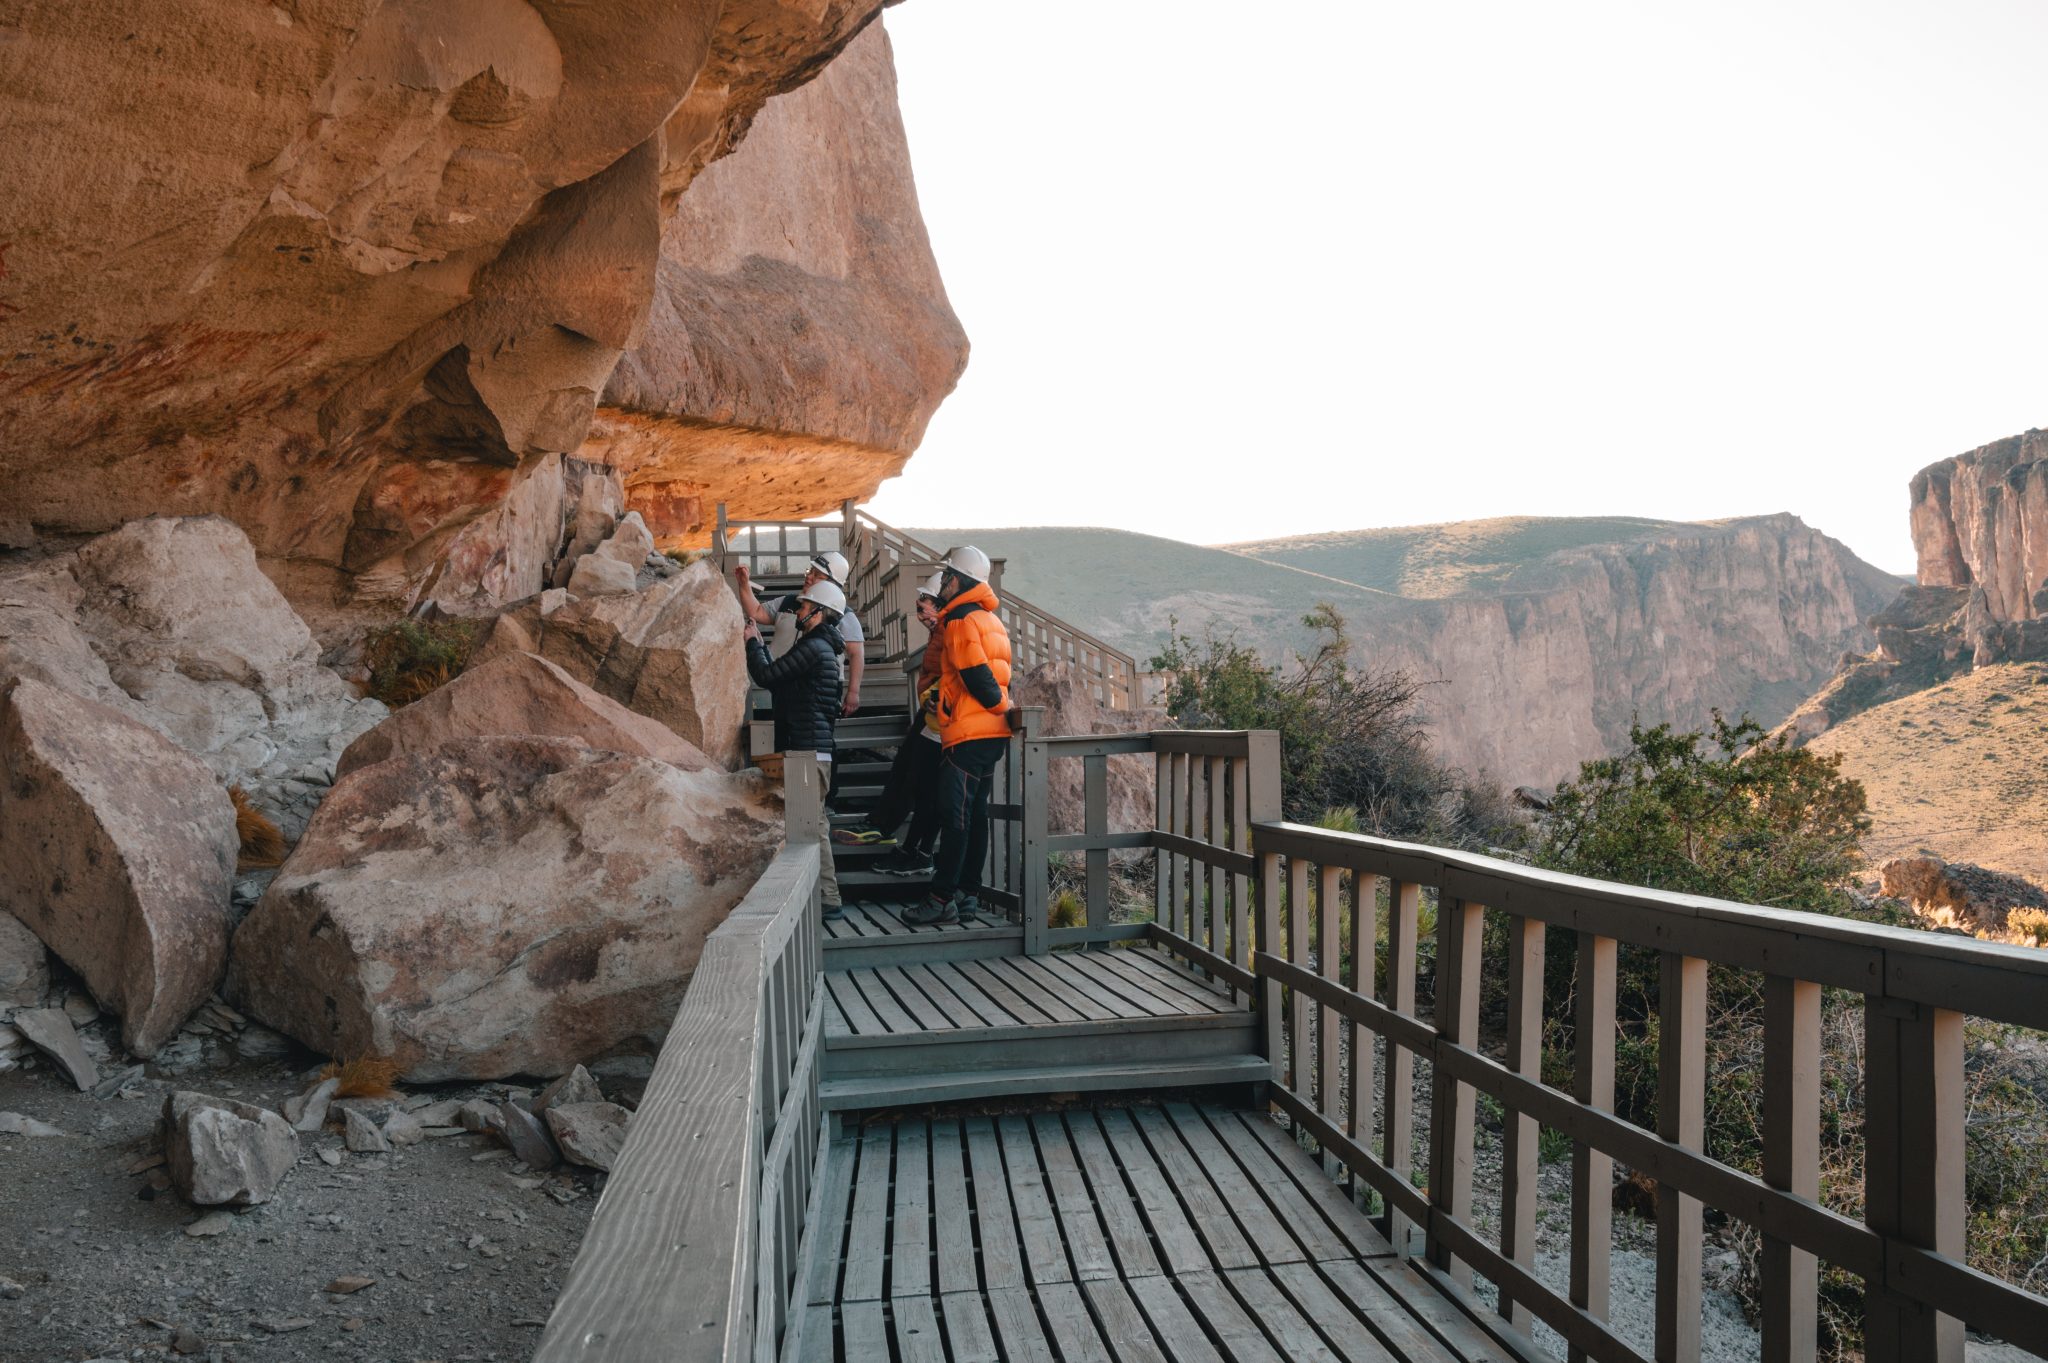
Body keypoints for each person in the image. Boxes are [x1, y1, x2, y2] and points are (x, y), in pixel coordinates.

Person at [903, 546, 1013, 926]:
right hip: (990, 735)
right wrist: (1003, 713)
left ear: (960, 581)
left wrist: (1001, 706)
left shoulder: (960, 622)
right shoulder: (990, 620)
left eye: (947, 577)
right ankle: (968, 893)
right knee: (976, 815)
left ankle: (941, 898)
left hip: (967, 733)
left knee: (956, 818)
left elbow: (979, 678)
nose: (943, 584)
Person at [744, 578, 848, 919]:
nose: (799, 610)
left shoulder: (813, 648)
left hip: (807, 752)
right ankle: (823, 898)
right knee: (812, 826)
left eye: (804, 606)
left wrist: (753, 644)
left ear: (819, 613)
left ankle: (828, 901)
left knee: (812, 828)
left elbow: (767, 676)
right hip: (814, 749)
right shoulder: (824, 650)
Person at [866, 572, 948, 874]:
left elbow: (954, 672)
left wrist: (933, 696)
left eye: (924, 605)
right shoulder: (943, 631)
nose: (920, 614)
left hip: (943, 723)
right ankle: (912, 849)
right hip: (935, 718)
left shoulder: (952, 631)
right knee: (921, 785)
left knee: (925, 786)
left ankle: (914, 849)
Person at [732, 550, 866, 716]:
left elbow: (856, 654)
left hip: (819, 687)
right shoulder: (789, 602)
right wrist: (744, 584)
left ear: (833, 584)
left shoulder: (844, 615)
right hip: (782, 680)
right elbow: (756, 611)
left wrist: (853, 692)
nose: (809, 577)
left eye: (817, 575)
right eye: (810, 571)